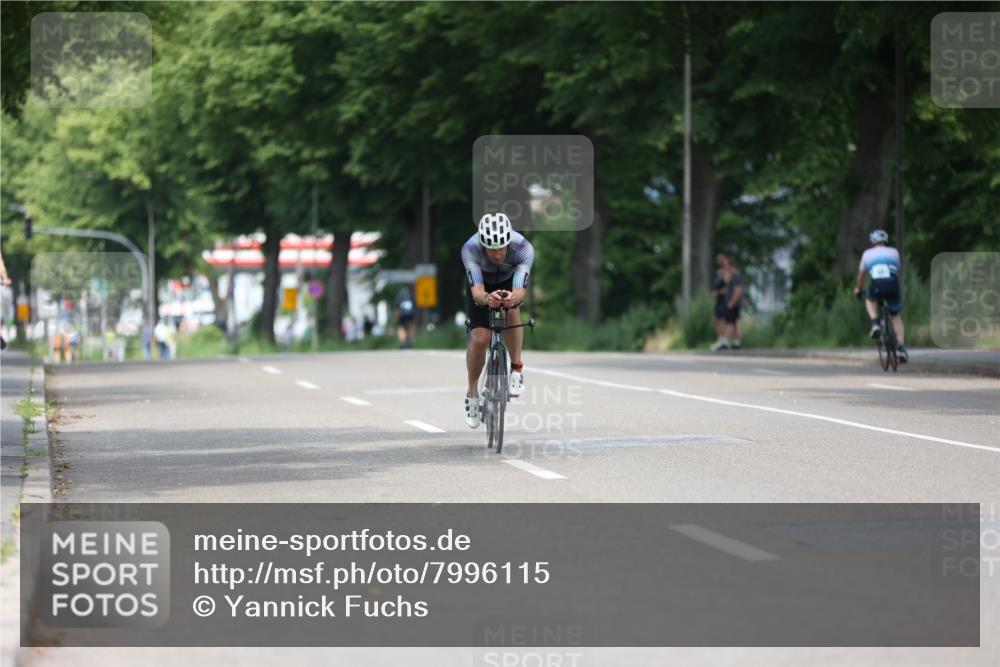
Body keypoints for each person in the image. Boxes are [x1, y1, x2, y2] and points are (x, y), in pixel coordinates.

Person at [461, 212, 534, 429]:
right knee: (479, 339)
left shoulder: (523, 248)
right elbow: (477, 292)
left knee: (513, 310)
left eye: (502, 247)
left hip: (509, 280)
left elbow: (521, 291)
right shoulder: (470, 249)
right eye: (492, 249)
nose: (498, 254)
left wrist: (513, 298)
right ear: (482, 244)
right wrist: (486, 299)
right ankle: (472, 393)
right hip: (482, 284)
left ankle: (517, 368)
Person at [854, 229, 908, 363]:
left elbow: (861, 275)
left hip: (877, 284)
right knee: (895, 316)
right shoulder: (894, 252)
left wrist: (858, 289)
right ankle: (901, 348)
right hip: (893, 283)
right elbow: (897, 269)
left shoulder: (867, 254)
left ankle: (875, 323)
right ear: (885, 240)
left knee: (869, 299)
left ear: (872, 242)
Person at [710, 253, 744, 351]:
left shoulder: (735, 275)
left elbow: (738, 291)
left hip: (734, 302)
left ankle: (725, 341)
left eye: (726, 263)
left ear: (730, 264)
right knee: (734, 322)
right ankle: (733, 342)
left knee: (732, 322)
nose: (724, 265)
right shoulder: (726, 274)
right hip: (731, 301)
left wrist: (731, 303)